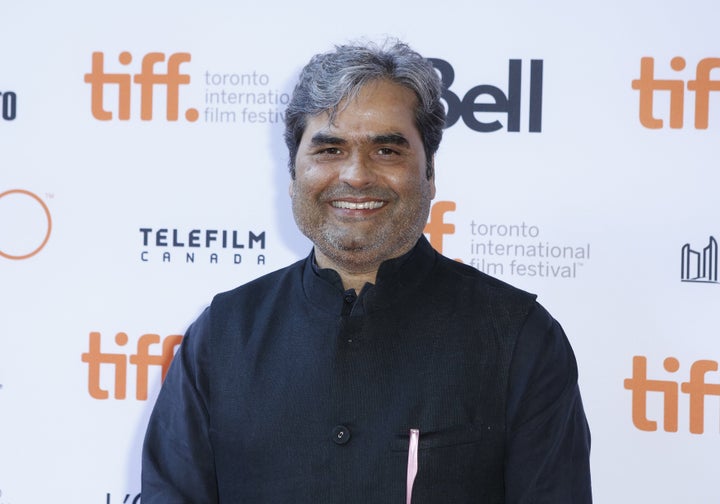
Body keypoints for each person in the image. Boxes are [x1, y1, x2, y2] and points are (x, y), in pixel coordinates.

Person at [141, 39, 592, 503]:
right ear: (294, 174)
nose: (356, 175)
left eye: (387, 151)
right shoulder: (222, 335)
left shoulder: (517, 338)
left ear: (430, 173)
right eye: (330, 150)